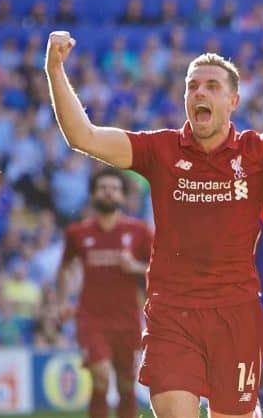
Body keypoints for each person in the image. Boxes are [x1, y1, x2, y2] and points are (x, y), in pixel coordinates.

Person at [45, 31, 263, 418]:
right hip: (172, 312)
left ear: (232, 101)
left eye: (212, 86)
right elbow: (83, 137)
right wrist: (55, 68)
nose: (199, 93)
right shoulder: (159, 149)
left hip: (236, 314)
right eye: (192, 86)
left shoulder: (257, 151)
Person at [56, 167, 153, 418]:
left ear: (122, 197)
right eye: (103, 188)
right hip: (91, 318)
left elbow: (161, 269)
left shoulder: (139, 232)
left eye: (114, 189)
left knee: (125, 385)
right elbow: (65, 269)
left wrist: (136, 267)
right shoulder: (77, 233)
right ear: (92, 194)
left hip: (128, 320)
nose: (108, 193)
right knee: (100, 376)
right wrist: (63, 301)